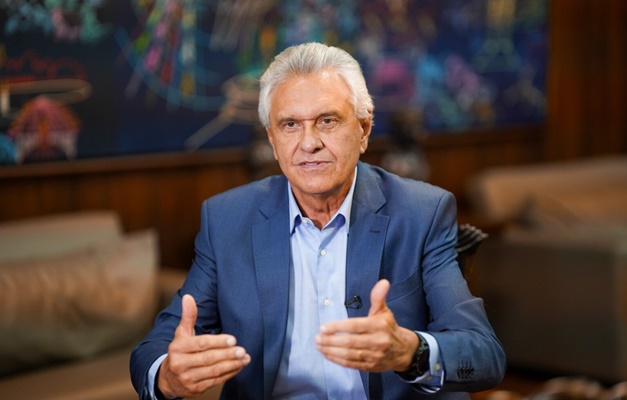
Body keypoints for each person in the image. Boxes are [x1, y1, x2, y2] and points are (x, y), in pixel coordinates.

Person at [130, 42, 506, 400]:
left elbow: (484, 354)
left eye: (327, 121)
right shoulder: (227, 219)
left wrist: (410, 351)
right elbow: (154, 349)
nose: (309, 143)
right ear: (272, 140)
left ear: (364, 129)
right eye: (290, 125)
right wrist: (168, 375)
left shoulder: (422, 212)